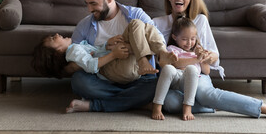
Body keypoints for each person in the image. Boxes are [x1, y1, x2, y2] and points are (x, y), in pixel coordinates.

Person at [153, 0, 266, 123]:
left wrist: (207, 56)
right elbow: (157, 58)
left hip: (196, 74)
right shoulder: (157, 23)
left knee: (205, 95)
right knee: (170, 102)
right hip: (173, 78)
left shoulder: (200, 20)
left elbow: (214, 56)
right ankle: (218, 105)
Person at [65, 0, 167, 113]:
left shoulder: (135, 14)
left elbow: (158, 41)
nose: (89, 9)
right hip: (105, 80)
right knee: (79, 82)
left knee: (157, 84)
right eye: (87, 4)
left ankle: (95, 105)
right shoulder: (84, 26)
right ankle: (136, 101)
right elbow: (70, 65)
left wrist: (128, 49)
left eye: (93, 3)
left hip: (139, 76)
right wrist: (108, 54)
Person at [32, 19, 177, 85]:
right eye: (52, 38)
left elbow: (95, 54)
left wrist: (107, 45)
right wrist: (113, 54)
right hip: (113, 69)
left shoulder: (75, 50)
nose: (56, 35)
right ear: (57, 51)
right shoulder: (73, 51)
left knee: (139, 25)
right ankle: (148, 57)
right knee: (137, 26)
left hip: (128, 67)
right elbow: (91, 65)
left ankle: (161, 53)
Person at [152, 15, 210, 121]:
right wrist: (196, 59)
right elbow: (175, 63)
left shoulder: (197, 52)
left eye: (193, 39)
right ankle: (157, 106)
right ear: (175, 37)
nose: (189, 43)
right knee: (168, 68)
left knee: (192, 69)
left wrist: (202, 58)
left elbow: (207, 71)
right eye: (184, 39)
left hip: (187, 82)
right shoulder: (171, 49)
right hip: (174, 79)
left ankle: (187, 107)